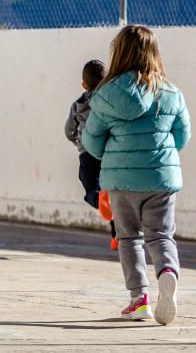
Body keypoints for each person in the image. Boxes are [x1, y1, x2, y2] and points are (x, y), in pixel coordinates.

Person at [82, 25, 191, 326]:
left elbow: (91, 142)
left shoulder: (106, 94)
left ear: (119, 53)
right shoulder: (171, 92)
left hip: (122, 181)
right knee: (161, 235)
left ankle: (139, 299)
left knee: (128, 237)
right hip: (162, 179)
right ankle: (167, 273)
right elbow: (182, 136)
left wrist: (114, 153)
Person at [64, 59, 117, 249]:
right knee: (112, 195)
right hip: (108, 153)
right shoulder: (110, 103)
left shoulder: (77, 105)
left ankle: (97, 199)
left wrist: (79, 143)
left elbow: (69, 130)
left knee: (91, 188)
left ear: (83, 84)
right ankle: (116, 236)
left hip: (87, 153)